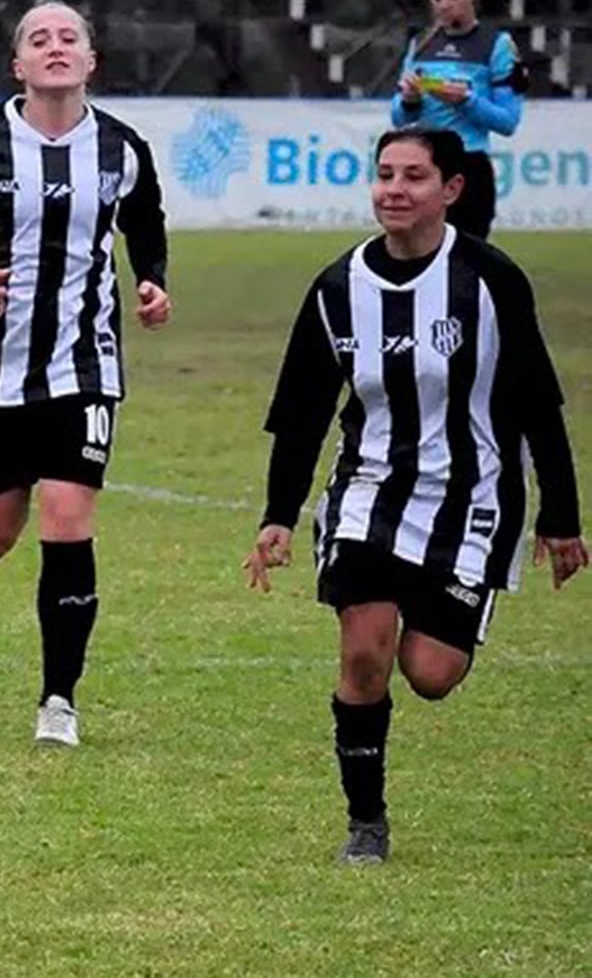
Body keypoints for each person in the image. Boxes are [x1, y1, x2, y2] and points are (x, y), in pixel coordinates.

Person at [244, 126, 584, 864]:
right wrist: (278, 514)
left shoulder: (490, 280)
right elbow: (301, 412)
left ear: (451, 190)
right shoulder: (338, 289)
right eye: (385, 175)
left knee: (430, 674)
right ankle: (366, 824)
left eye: (414, 177)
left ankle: (442, 614)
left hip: (474, 500)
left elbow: (537, 405)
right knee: (364, 654)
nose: (394, 190)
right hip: (370, 492)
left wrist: (562, 514)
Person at [0, 1, 171, 747]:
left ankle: (59, 699)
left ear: (91, 60)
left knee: (67, 515)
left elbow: (144, 221)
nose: (55, 47)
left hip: (83, 364)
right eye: (38, 39)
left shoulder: (121, 147)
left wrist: (150, 278)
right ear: (17, 66)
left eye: (69, 37)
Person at [391, 0, 527, 239]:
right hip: (423, 166)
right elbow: (399, 118)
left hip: (468, 166)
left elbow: (508, 121)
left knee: (465, 266)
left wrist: (466, 101)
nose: (444, 4)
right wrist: (410, 100)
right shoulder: (421, 43)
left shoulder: (498, 46)